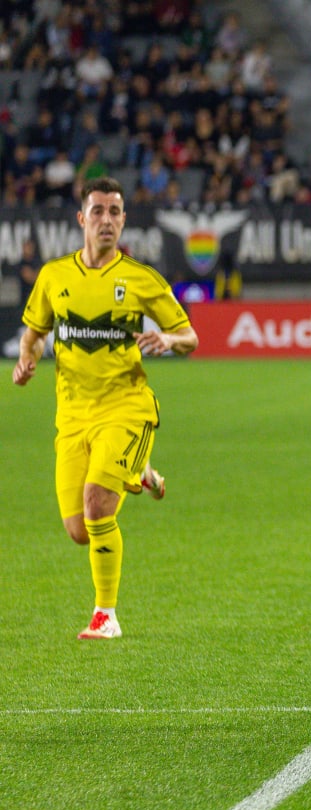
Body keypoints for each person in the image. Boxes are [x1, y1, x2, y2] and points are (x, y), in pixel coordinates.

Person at [11, 176, 199, 639]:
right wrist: (26, 359)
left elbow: (190, 337)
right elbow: (33, 335)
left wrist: (168, 339)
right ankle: (142, 473)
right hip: (73, 415)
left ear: (123, 220)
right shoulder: (54, 277)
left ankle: (105, 615)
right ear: (81, 219)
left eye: (115, 212)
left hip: (126, 406)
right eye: (98, 211)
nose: (107, 220)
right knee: (78, 530)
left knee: (97, 508)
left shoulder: (140, 279)